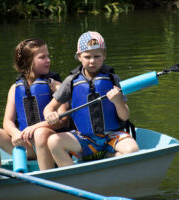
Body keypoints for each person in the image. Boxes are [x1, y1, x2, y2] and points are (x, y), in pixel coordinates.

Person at [44, 31, 139, 167]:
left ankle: (109, 155)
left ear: (104, 55)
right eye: (87, 56)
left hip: (111, 136)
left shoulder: (113, 79)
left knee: (132, 150)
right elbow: (49, 107)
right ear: (79, 57)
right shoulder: (71, 81)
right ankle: (73, 176)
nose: (92, 61)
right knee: (53, 141)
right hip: (84, 139)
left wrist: (118, 101)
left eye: (97, 56)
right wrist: (50, 114)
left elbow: (124, 116)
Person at [0, 38, 68, 178]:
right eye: (42, 57)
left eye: (48, 56)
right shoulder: (15, 88)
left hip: (48, 143)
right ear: (27, 62)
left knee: (40, 133)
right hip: (27, 146)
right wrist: (15, 133)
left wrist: (36, 127)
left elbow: (63, 120)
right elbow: (7, 122)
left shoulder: (56, 85)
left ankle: (46, 179)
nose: (48, 60)